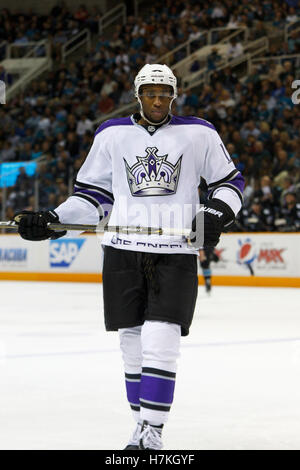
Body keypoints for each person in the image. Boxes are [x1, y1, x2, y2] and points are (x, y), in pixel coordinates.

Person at [14, 64, 244, 450]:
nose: (158, 99)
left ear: (174, 94)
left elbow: (229, 181)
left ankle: (152, 432)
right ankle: (141, 428)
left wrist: (214, 213)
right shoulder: (111, 133)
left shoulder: (199, 132)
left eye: (165, 92)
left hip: (175, 252)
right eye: (151, 91)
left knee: (161, 339)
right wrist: (54, 220)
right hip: (122, 252)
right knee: (132, 345)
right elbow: (93, 196)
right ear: (138, 94)